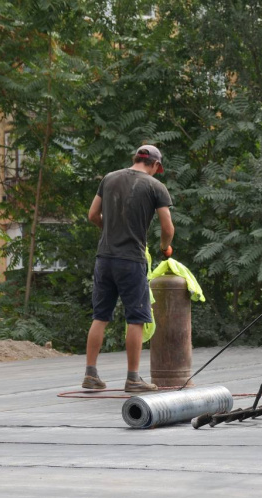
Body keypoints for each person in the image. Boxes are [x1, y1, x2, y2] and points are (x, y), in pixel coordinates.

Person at [81, 145, 175, 392]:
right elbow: (168, 228)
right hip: (131, 260)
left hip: (104, 258)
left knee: (100, 316)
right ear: (155, 164)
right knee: (136, 317)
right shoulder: (155, 187)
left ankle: (91, 374)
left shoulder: (109, 178)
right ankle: (133, 378)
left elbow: (92, 215)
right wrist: (165, 247)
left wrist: (111, 231)